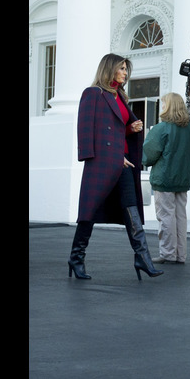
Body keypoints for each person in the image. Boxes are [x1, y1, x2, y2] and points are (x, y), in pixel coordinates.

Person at [68, 53, 163, 280]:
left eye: (125, 69)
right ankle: (76, 257)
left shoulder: (120, 97)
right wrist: (107, 155)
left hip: (124, 163)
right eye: (121, 68)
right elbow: (86, 130)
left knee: (132, 209)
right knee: (88, 213)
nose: (125, 73)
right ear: (109, 69)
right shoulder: (93, 94)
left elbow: (117, 130)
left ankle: (142, 257)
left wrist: (132, 129)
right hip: (102, 163)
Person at [142, 92, 190, 264]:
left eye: (164, 104)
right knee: (180, 217)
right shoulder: (189, 129)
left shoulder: (161, 128)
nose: (162, 107)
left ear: (168, 106)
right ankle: (180, 255)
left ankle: (168, 253)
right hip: (182, 179)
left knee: (166, 217)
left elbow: (148, 154)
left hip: (164, 179)